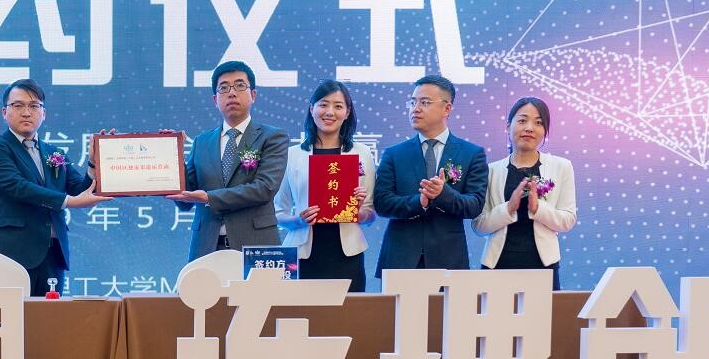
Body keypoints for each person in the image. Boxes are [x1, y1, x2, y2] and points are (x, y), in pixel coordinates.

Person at [0, 78, 111, 296]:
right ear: (4, 112)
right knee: (14, 316)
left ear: (44, 113)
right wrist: (68, 202)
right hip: (14, 254)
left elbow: (79, 190)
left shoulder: (54, 152)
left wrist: (93, 164)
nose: (26, 112)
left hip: (53, 254)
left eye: (34, 106)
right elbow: (18, 187)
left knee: (51, 316)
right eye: (18, 105)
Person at [168, 60, 289, 260]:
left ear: (253, 95)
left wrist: (209, 198)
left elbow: (264, 188)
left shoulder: (272, 137)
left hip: (256, 246)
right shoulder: (201, 142)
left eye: (240, 85)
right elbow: (185, 201)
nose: (231, 93)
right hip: (206, 247)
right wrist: (172, 157)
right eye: (224, 88)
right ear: (215, 100)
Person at [373, 74, 487, 278]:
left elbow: (475, 205)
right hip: (400, 260)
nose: (415, 109)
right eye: (412, 102)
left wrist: (444, 194)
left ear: (447, 109)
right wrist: (419, 202)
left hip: (449, 260)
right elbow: (382, 203)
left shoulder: (471, 154)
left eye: (424, 102)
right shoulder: (394, 154)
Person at [274, 80, 375, 289]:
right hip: (302, 254)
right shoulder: (292, 155)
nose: (330, 112)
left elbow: (370, 214)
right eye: (323, 104)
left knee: (350, 310)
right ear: (312, 109)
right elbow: (278, 212)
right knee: (300, 310)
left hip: (348, 255)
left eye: (338, 106)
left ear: (347, 113)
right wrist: (298, 220)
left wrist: (357, 213)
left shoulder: (362, 153)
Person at [473, 97, 578, 290]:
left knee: (545, 311)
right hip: (497, 265)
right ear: (507, 127)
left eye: (538, 123)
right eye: (522, 120)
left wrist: (537, 208)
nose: (529, 128)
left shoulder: (561, 166)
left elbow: (568, 220)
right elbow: (479, 226)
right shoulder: (490, 171)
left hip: (544, 265)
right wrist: (508, 208)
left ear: (545, 131)